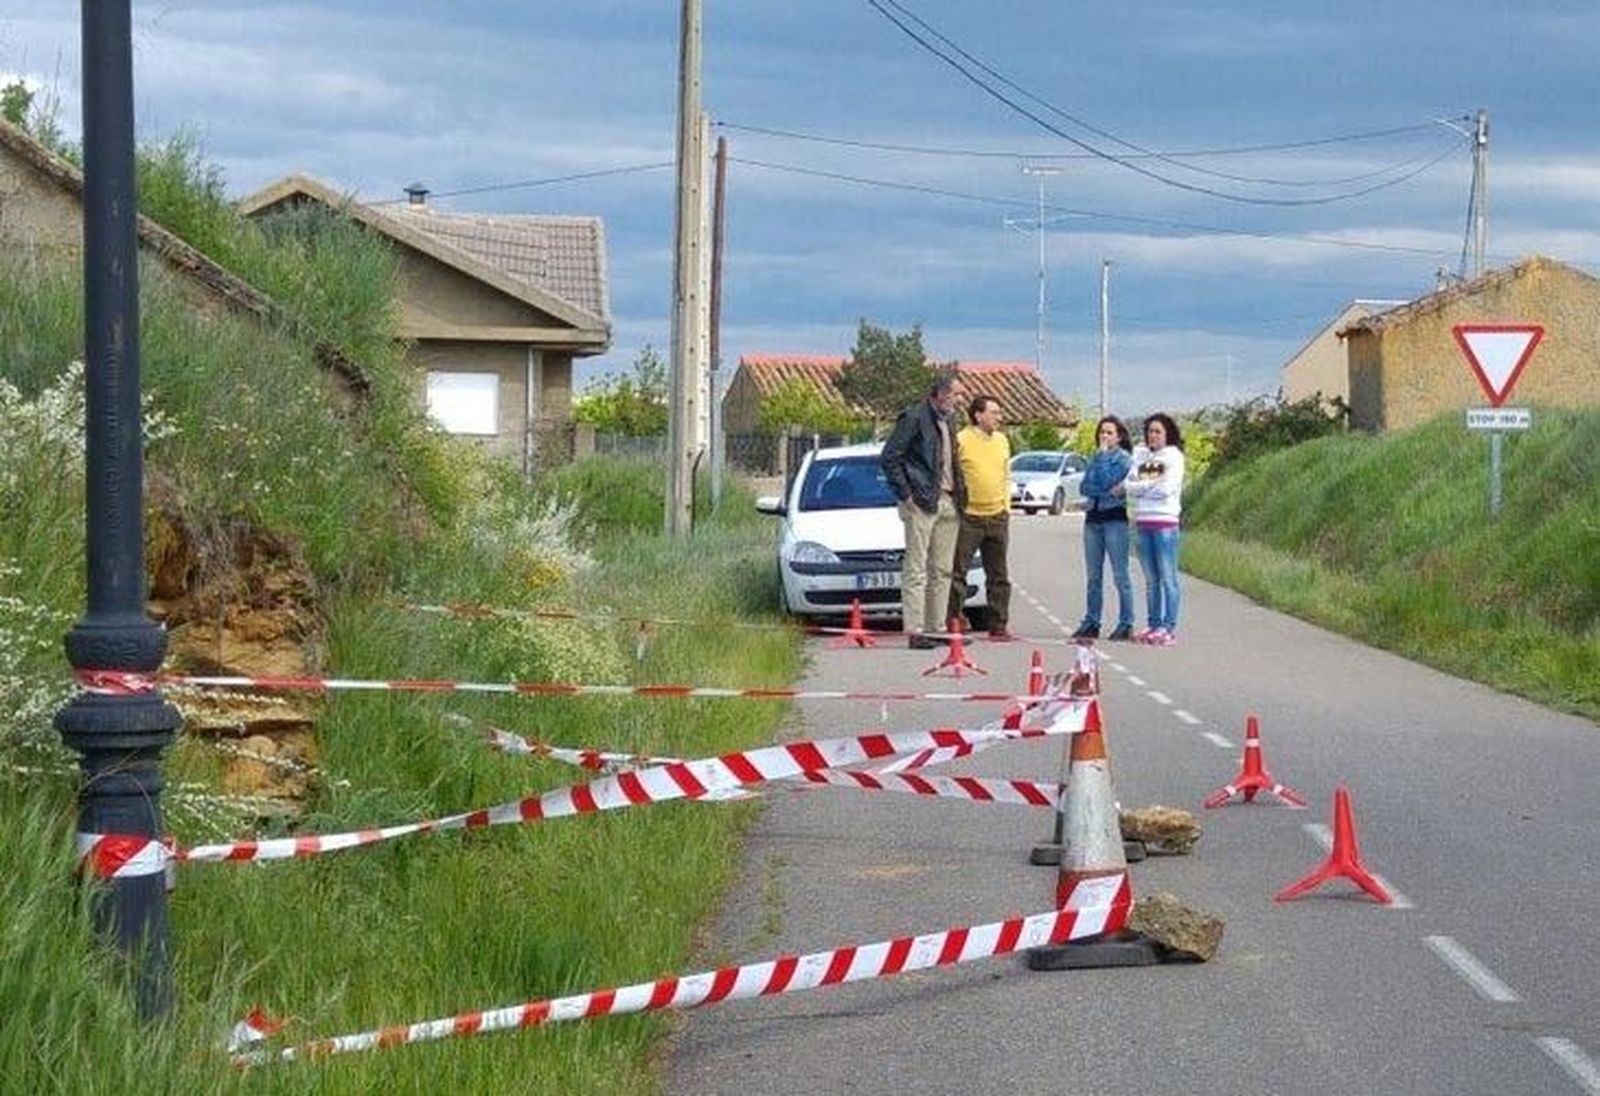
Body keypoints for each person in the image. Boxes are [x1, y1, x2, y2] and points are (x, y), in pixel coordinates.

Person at [881, 374, 967, 649]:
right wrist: (906, 495)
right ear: (941, 394)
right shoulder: (915, 418)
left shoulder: (949, 421)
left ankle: (937, 627)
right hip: (921, 500)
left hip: (948, 499)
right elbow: (890, 457)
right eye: (957, 395)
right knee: (916, 568)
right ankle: (915, 630)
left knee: (942, 569)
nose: (960, 400)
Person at [947, 394, 1013, 640]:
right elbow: (952, 474)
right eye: (994, 412)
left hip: (997, 515)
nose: (999, 417)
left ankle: (998, 625)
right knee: (957, 573)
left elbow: (1006, 473)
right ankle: (953, 621)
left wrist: (1006, 505)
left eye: (999, 412)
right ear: (978, 415)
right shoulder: (961, 440)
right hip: (968, 517)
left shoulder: (1002, 441)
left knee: (999, 575)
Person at [1123, 412, 1186, 646]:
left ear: (1167, 434)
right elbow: (1130, 485)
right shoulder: (1140, 456)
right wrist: (1150, 484)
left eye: (1158, 431)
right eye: (1150, 431)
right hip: (1143, 521)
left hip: (1165, 523)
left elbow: (1167, 489)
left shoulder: (1174, 457)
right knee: (1151, 580)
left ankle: (1168, 627)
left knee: (1168, 577)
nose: (1153, 435)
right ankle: (1153, 623)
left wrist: (1144, 485)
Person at [1071, 416, 1135, 641]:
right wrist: (1101, 487)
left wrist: (1105, 460)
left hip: (1114, 520)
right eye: (1102, 433)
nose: (1104, 437)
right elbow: (1085, 486)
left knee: (1120, 574)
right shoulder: (1094, 457)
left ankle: (1126, 622)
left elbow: (1111, 483)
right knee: (1093, 576)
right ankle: (1092, 620)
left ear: (1118, 436)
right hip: (1093, 518)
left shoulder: (1124, 460)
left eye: (1109, 433)